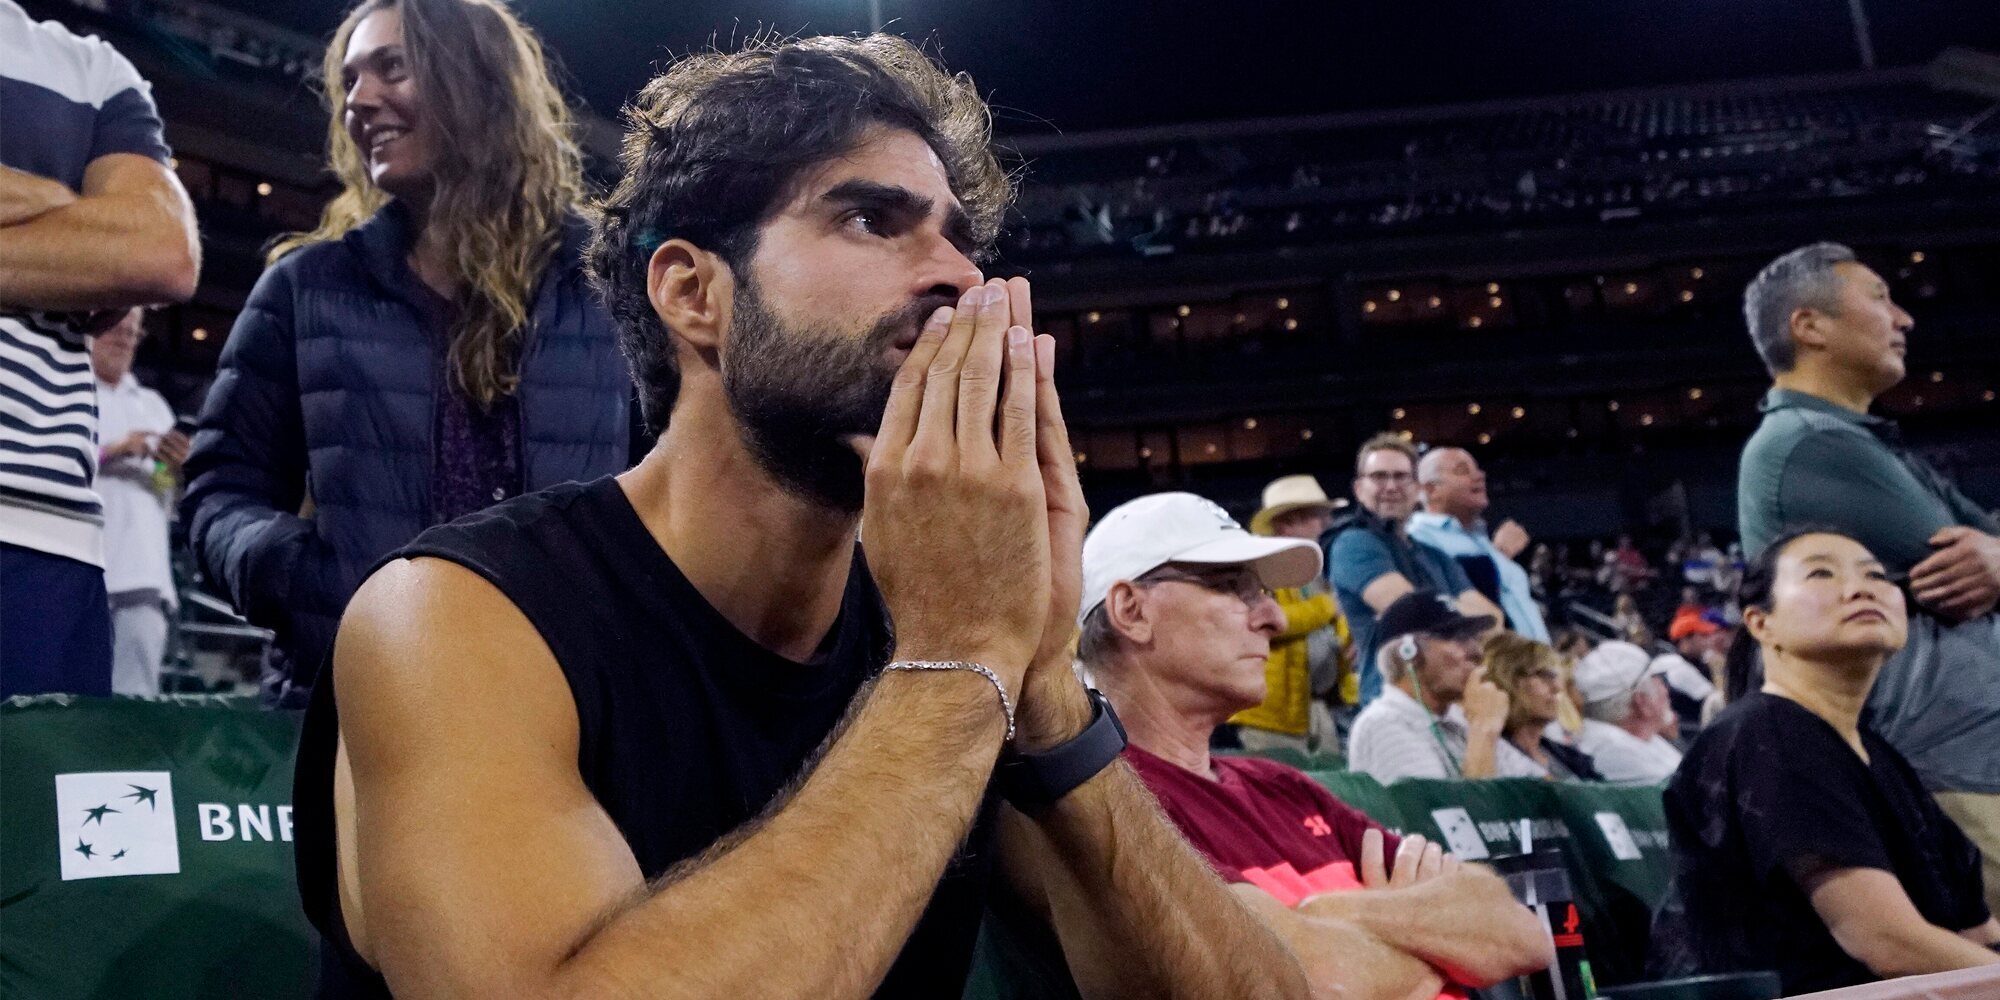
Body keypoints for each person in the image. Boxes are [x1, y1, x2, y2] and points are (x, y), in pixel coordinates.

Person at [295, 34, 1322, 999]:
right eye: (873, 219)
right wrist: (961, 659)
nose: (961, 278)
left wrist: (1044, 673)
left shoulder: (950, 630)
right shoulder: (454, 617)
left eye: (960, 240)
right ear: (694, 293)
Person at [181, 0, 631, 707]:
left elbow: (675, 482)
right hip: (365, 701)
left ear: (478, 83)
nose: (359, 100)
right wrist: (299, 577)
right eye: (351, 80)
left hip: (570, 699)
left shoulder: (607, 286)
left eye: (392, 68)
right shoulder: (305, 290)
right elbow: (217, 492)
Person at [1076, 492, 1552, 998]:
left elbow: (1520, 934)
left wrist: (1334, 911)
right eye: (1234, 588)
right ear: (1131, 610)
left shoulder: (1284, 786)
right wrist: (1431, 946)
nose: (1274, 620)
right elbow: (1310, 981)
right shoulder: (1112, 804)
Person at [1735, 241, 2000, 910]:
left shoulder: (1851, 439)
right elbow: (1969, 566)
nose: (1905, 318)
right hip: (1952, 764)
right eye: (1881, 298)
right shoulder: (1812, 443)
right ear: (1810, 326)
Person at [1648, 528, 1999, 994]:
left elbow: (1978, 933)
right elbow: (1887, 944)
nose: (1860, 588)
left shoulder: (1884, 761)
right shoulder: (1765, 734)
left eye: (1876, 575)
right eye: (1821, 573)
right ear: (1759, 623)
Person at [0, 0, 199, 696]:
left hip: (50, 538)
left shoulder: (96, 69)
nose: (124, 330)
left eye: (131, 328)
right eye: (119, 323)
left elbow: (160, 251)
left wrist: (165, 465)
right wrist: (73, 216)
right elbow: (121, 240)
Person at [1324, 434, 1505, 706]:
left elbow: (1493, 620)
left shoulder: (1433, 554)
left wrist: (1444, 613)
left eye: (1401, 477)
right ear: (1359, 489)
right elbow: (1414, 615)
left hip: (1447, 701)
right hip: (1393, 699)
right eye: (1379, 477)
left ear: (1418, 489)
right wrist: (1460, 615)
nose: (1391, 486)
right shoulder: (1353, 544)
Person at [90, 309, 187, 696]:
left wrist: (173, 465)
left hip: (143, 575)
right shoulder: (69, 391)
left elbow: (165, 488)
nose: (125, 341)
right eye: (117, 330)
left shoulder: (154, 406)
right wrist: (113, 450)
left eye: (133, 333)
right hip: (80, 570)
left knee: (133, 704)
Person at [1347, 590, 1527, 781]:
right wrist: (1483, 730)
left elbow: (1541, 788)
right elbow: (1455, 810)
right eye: (1457, 638)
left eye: (1474, 639)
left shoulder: (1458, 719)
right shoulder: (1382, 725)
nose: (1477, 652)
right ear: (1409, 653)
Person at [1232, 474, 1351, 752]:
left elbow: (1335, 621)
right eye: (1317, 516)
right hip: (1271, 716)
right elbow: (1270, 623)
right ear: (1285, 522)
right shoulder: (1257, 568)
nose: (1326, 524)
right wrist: (1326, 607)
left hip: (1316, 707)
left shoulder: (1312, 569)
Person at [1409, 446, 1550, 641]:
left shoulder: (1481, 539)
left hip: (1533, 662)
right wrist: (1499, 554)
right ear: (1432, 490)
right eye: (1462, 471)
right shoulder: (1418, 537)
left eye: (1477, 469)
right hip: (1489, 664)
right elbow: (1447, 601)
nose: (1479, 476)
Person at [1480, 632, 1602, 781]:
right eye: (1544, 675)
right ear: (1508, 680)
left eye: (1555, 677)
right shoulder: (1488, 754)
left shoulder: (1572, 758)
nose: (1557, 687)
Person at [1571, 641, 1683, 783]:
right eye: (1656, 680)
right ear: (1642, 701)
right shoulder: (1616, 753)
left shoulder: (1643, 739)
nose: (1665, 689)